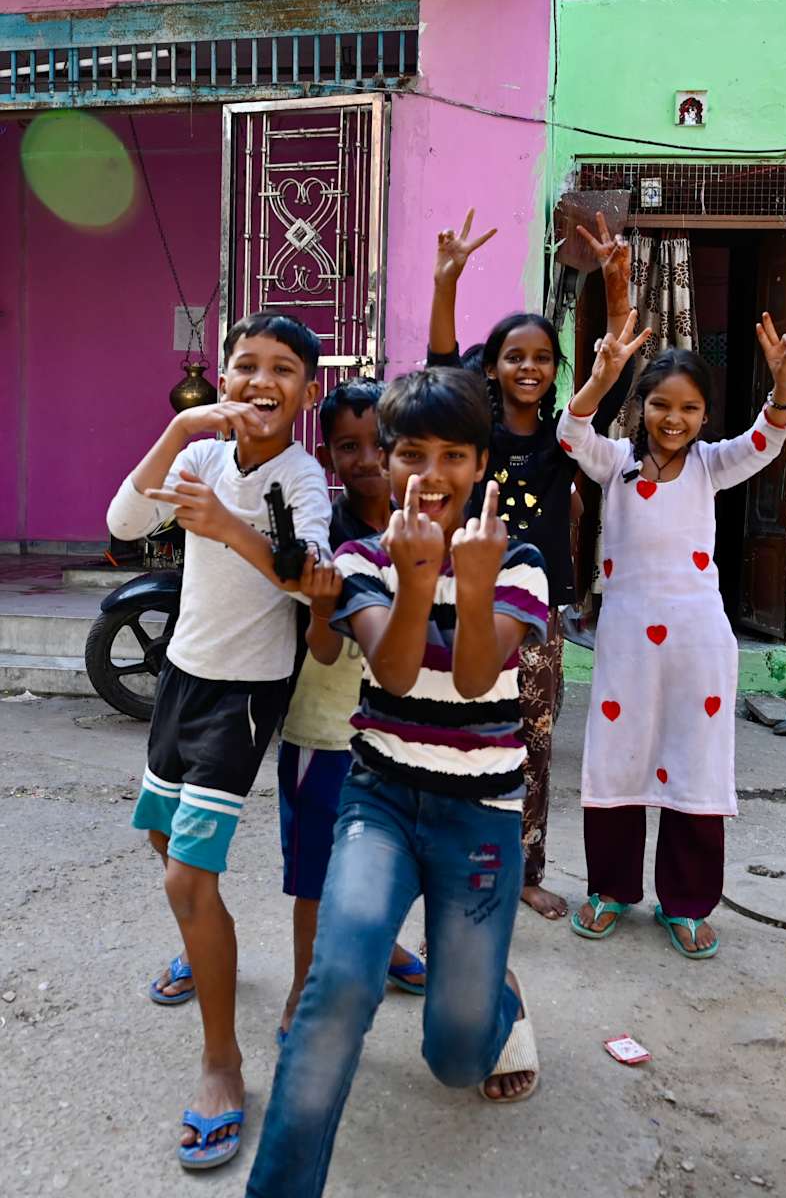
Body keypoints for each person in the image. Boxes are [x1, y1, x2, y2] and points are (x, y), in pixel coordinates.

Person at [246, 367, 549, 1197]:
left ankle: (498, 1002)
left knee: (456, 1056)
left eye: (455, 455)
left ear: (481, 464)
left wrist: (471, 585)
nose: (433, 474)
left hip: (479, 815)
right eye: (413, 453)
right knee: (337, 986)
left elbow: (480, 672)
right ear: (387, 459)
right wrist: (417, 579)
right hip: (379, 801)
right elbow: (396, 669)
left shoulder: (519, 562)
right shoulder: (359, 559)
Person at [106, 311, 332, 1170]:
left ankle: (222, 1063)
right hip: (183, 674)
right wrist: (178, 431)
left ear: (306, 391)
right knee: (164, 843)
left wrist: (229, 528)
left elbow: (308, 579)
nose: (260, 381)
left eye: (282, 369)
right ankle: (205, 950)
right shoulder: (199, 455)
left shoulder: (303, 478)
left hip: (244, 693)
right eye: (246, 365)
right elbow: (124, 523)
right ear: (223, 377)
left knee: (186, 873)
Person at [558, 311, 786, 955]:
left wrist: (783, 389)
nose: (674, 419)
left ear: (704, 415)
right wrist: (600, 378)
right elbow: (571, 434)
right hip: (627, 645)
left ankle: (688, 903)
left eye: (689, 408)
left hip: (698, 645)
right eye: (661, 405)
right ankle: (610, 890)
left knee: (695, 762)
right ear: (640, 407)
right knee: (618, 759)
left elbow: (765, 441)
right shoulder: (616, 463)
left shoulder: (710, 465)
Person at [427, 209, 634, 920]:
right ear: (491, 366)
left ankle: (524, 870)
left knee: (533, 744)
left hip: (537, 615)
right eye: (514, 356)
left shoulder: (566, 436)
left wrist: (617, 282)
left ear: (555, 371)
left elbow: (614, 366)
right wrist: (446, 281)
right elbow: (440, 362)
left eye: (543, 358)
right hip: (463, 602)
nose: (529, 367)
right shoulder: (471, 429)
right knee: (456, 738)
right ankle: (454, 864)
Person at [276, 377, 425, 1044]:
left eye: (380, 443)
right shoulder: (322, 538)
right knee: (317, 874)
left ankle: (384, 948)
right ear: (327, 454)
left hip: (400, 735)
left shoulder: (420, 527)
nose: (367, 460)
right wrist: (319, 607)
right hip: (326, 732)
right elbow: (326, 650)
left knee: (388, 862)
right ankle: (303, 989)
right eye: (348, 446)